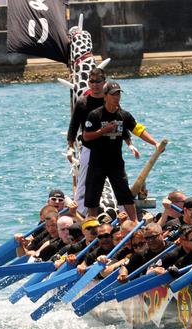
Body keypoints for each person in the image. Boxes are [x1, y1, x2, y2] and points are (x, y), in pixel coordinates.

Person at [83, 80, 160, 222]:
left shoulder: (124, 115)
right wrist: (103, 131)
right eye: (113, 94)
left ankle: (134, 223)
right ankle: (91, 225)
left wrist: (155, 143)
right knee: (92, 197)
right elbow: (86, 136)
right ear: (105, 96)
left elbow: (138, 130)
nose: (116, 97)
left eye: (118, 94)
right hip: (97, 163)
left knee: (125, 194)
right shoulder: (95, 115)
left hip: (116, 163)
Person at [66, 68, 139, 216]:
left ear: (104, 83)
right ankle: (80, 211)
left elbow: (121, 122)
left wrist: (129, 143)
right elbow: (73, 127)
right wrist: (70, 147)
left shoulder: (111, 100)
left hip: (110, 150)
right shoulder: (82, 102)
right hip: (90, 148)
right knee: (84, 179)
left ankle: (124, 212)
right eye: (91, 81)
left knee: (120, 181)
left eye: (98, 81)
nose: (95, 85)